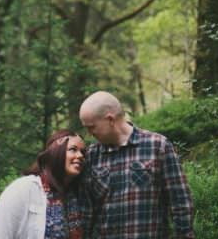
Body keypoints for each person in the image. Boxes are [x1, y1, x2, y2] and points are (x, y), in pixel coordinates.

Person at [79, 91, 195, 238]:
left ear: (110, 120)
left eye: (91, 127)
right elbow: (86, 212)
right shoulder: (91, 155)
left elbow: (180, 202)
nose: (89, 134)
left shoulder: (158, 146)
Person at [0, 129, 87, 239]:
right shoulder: (23, 189)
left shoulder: (75, 195)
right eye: (73, 149)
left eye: (83, 152)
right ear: (56, 152)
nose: (80, 155)